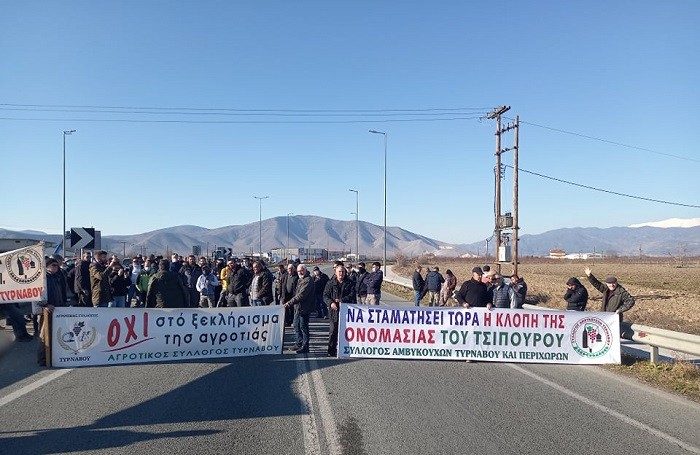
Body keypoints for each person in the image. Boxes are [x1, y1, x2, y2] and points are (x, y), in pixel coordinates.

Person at [34, 257, 68, 366]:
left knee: (54, 334)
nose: (56, 267)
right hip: (45, 311)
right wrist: (45, 305)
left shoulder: (55, 277)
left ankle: (51, 357)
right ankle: (42, 359)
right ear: (47, 266)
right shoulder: (42, 278)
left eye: (57, 265)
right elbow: (36, 294)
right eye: (53, 265)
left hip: (56, 309)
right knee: (44, 336)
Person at [324, 263, 356, 357]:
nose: (341, 273)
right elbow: (325, 296)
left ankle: (345, 350)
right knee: (333, 331)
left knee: (346, 332)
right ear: (336, 272)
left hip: (346, 311)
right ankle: (331, 350)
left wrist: (342, 300)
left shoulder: (350, 283)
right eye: (339, 272)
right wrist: (331, 303)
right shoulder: (330, 283)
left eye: (342, 272)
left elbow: (352, 295)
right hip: (334, 312)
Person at [285, 264, 316, 353]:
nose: (300, 272)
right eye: (298, 271)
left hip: (305, 307)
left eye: (301, 270)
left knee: (303, 327)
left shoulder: (308, 280)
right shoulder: (300, 279)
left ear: (305, 270)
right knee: (296, 325)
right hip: (298, 307)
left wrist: (289, 302)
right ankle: (299, 343)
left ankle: (305, 346)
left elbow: (301, 295)